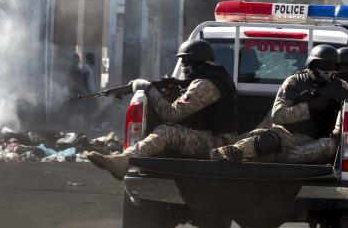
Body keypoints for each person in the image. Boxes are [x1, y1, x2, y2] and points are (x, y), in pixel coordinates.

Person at [87, 39, 238, 180]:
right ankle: (125, 158)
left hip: (219, 143)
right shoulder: (211, 78)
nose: (184, 66)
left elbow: (170, 114)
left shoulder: (206, 84)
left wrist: (146, 87)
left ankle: (124, 161)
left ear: (197, 62)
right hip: (210, 135)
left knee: (166, 131)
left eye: (186, 62)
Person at [211, 45, 348, 164]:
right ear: (312, 64)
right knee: (266, 139)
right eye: (323, 65)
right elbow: (278, 116)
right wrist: (310, 106)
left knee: (328, 146)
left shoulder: (339, 85)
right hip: (289, 134)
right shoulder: (295, 83)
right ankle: (231, 152)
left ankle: (269, 159)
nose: (327, 71)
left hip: (317, 140)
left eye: (332, 66)